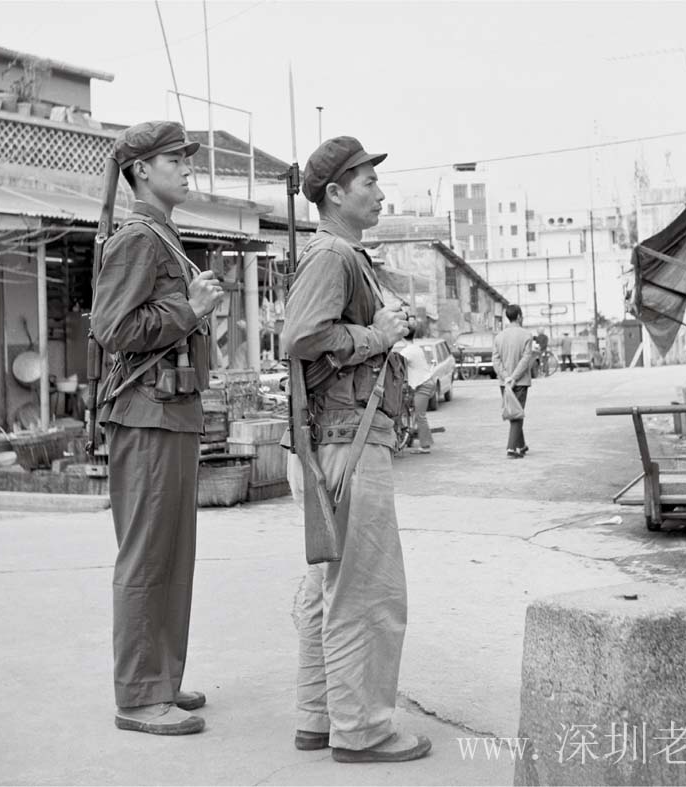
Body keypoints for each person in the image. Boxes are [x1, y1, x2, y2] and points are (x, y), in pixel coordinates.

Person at [281, 136, 432, 763]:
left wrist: (384, 330)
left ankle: (320, 717)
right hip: (344, 441)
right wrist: (376, 334)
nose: (379, 190)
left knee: (328, 589)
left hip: (332, 440)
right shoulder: (335, 255)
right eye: (366, 180)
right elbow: (301, 335)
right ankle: (363, 729)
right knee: (367, 592)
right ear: (335, 193)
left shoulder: (343, 255)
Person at [91, 121, 224, 736]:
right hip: (144, 417)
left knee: (175, 556)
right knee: (147, 558)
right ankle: (139, 696)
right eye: (174, 158)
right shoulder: (138, 239)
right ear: (141, 169)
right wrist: (190, 308)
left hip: (172, 414)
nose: (186, 166)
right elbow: (113, 329)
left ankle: (162, 678)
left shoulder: (163, 237)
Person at [492, 305, 534, 458]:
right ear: (519, 316)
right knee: (517, 414)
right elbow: (526, 359)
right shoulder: (527, 335)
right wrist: (515, 377)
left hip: (505, 383)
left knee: (514, 411)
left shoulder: (499, 337)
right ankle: (511, 448)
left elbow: (495, 360)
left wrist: (506, 377)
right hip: (520, 381)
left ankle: (521, 445)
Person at [397, 324, 436, 454]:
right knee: (416, 414)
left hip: (423, 385)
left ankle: (425, 446)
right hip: (426, 383)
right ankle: (419, 440)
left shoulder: (407, 351)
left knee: (420, 416)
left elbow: (397, 365)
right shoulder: (416, 348)